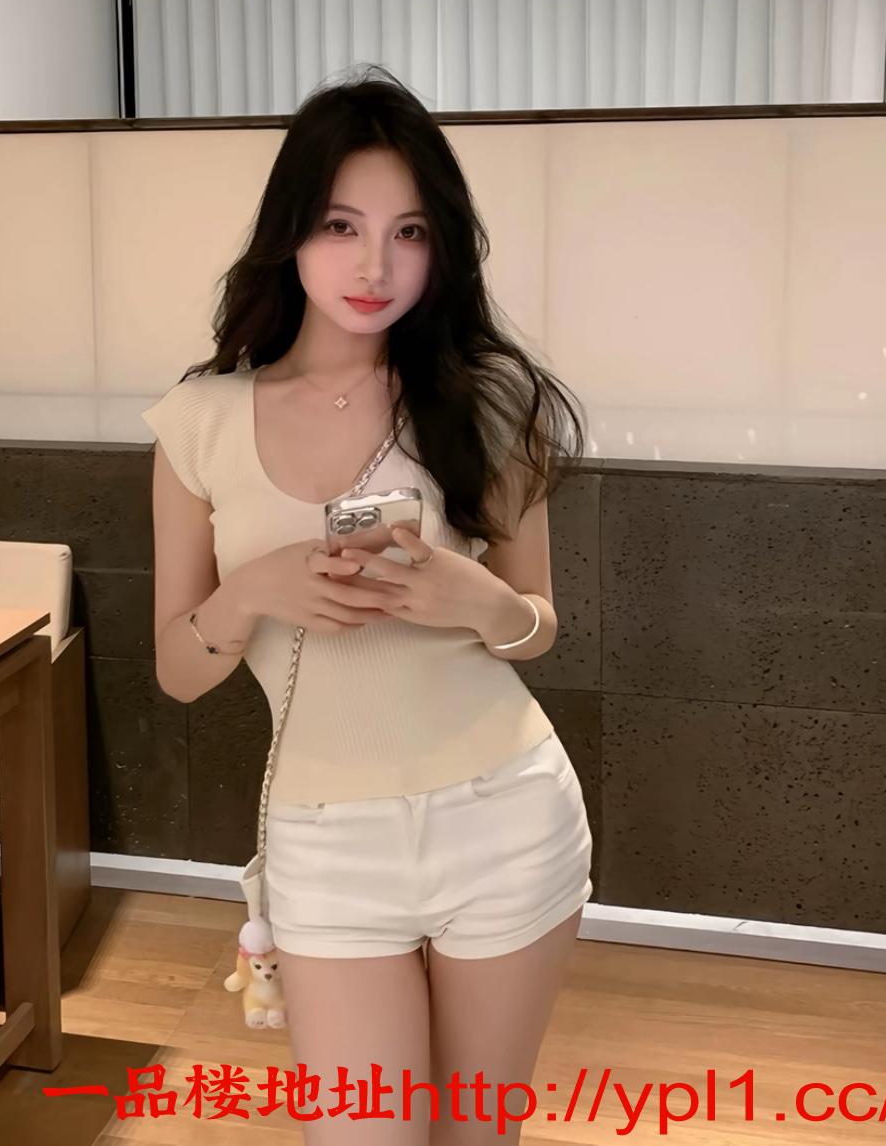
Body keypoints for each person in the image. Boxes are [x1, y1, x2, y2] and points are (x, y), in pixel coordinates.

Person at [143, 67, 593, 1144]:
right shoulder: (200, 423)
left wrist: (471, 597)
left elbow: (538, 626)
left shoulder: (487, 399)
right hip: (325, 843)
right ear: (291, 231)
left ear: (442, 251)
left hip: (505, 814)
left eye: (410, 233)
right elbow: (177, 669)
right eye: (341, 226)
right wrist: (253, 591)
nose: (374, 266)